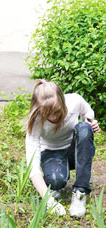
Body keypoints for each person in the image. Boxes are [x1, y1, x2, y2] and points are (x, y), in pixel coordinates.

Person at [25, 80, 100, 217]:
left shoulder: (75, 101)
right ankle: (57, 182)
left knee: (84, 129)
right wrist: (48, 200)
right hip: (51, 152)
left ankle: (80, 192)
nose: (53, 117)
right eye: (47, 114)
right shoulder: (35, 121)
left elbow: (88, 112)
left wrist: (90, 121)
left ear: (62, 100)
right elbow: (33, 167)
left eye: (57, 111)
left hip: (74, 149)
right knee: (55, 181)